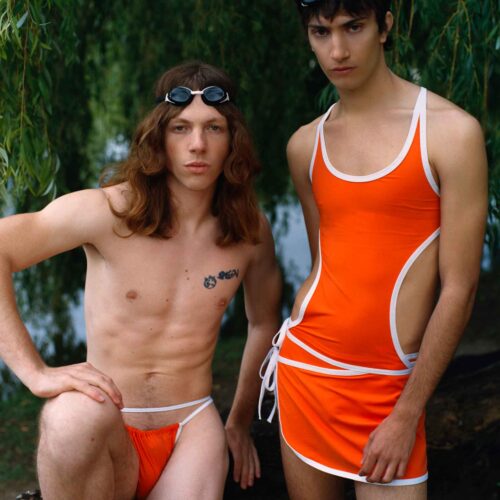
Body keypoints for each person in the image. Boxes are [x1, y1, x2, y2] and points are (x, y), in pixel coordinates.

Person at [0, 61, 281, 500]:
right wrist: (34, 373)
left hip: (190, 426)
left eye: (214, 128)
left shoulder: (248, 231)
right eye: (181, 128)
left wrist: (240, 421)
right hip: (106, 420)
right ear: (158, 137)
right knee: (69, 416)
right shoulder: (109, 213)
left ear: (234, 140)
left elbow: (264, 322)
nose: (198, 145)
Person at [259, 1, 488, 498]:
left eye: (353, 27)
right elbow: (325, 262)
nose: (337, 50)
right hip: (308, 370)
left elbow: (460, 288)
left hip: (390, 389)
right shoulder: (305, 146)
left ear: (384, 26)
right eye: (321, 32)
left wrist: (407, 413)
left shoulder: (450, 133)